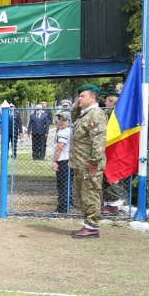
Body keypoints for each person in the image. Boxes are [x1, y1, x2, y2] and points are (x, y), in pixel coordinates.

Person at [69, 85, 107, 239]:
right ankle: (88, 225)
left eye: (83, 96)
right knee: (83, 196)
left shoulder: (96, 114)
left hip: (89, 165)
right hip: (80, 163)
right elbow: (74, 118)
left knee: (91, 195)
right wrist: (76, 107)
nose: (80, 98)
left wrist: (94, 161)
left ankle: (92, 227)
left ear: (93, 97)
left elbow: (98, 140)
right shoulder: (85, 114)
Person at [51, 112, 72, 214]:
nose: (60, 121)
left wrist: (54, 161)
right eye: (59, 119)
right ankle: (66, 204)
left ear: (69, 121)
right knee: (66, 184)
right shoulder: (66, 131)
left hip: (63, 160)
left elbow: (59, 148)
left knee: (62, 185)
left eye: (63, 120)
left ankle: (62, 208)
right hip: (68, 159)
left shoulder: (63, 132)